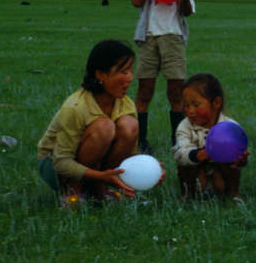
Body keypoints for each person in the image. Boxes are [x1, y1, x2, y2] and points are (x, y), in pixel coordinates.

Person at [37, 40, 164, 207]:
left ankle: (99, 190)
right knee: (104, 126)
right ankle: (74, 190)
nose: (130, 78)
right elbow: (61, 162)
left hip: (98, 166)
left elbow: (131, 153)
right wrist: (101, 175)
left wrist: (150, 169)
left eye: (130, 71)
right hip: (55, 167)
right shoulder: (75, 107)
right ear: (100, 75)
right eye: (123, 72)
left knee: (129, 124)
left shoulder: (126, 104)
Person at [127, 0, 196, 153]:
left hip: (173, 36)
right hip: (147, 37)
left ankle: (178, 141)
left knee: (176, 91)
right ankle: (141, 141)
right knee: (144, 89)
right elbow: (136, 2)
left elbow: (187, 12)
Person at [173, 74, 249, 199]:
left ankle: (233, 194)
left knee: (231, 164)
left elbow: (238, 153)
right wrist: (196, 155)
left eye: (196, 105)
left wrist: (240, 160)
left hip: (220, 170)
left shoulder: (230, 127)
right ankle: (189, 194)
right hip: (198, 170)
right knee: (185, 165)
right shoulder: (184, 126)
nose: (190, 111)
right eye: (186, 105)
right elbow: (180, 152)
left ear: (216, 103)